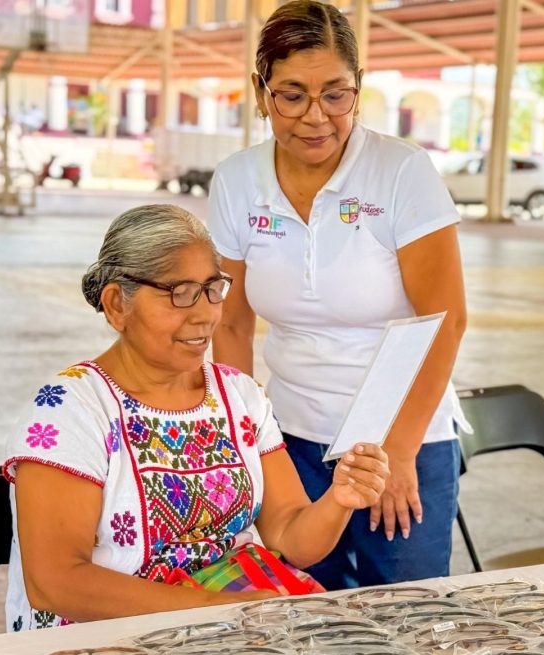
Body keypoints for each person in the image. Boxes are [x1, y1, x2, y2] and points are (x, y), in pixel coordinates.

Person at [3, 204, 390, 631]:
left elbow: (292, 538)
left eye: (211, 289)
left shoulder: (239, 397)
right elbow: (55, 582)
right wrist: (212, 608)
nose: (205, 312)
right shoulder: (72, 410)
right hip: (100, 642)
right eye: (179, 292)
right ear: (117, 304)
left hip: (224, 626)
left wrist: (339, 499)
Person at [208, 0, 467, 590]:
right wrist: (245, 442)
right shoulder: (238, 180)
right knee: (300, 614)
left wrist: (398, 452)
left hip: (403, 436)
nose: (315, 117)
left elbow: (444, 322)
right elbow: (231, 326)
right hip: (290, 435)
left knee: (407, 616)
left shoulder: (401, 172)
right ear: (260, 91)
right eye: (292, 94)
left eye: (335, 94)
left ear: (359, 88)